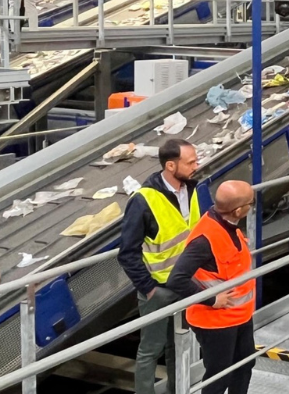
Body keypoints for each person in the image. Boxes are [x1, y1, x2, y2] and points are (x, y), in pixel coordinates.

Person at [118, 138, 206, 394]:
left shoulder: (192, 189)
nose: (196, 165)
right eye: (190, 162)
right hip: (158, 289)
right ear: (170, 165)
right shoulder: (143, 200)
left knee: (178, 344)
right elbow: (127, 253)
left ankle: (178, 389)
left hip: (186, 283)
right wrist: (149, 288)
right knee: (150, 349)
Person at [167, 180, 256, 394]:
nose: (252, 206)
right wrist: (213, 299)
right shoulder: (204, 240)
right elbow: (176, 279)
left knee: (244, 365)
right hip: (216, 321)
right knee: (218, 377)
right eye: (250, 203)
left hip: (240, 315)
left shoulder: (228, 225)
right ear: (237, 211)